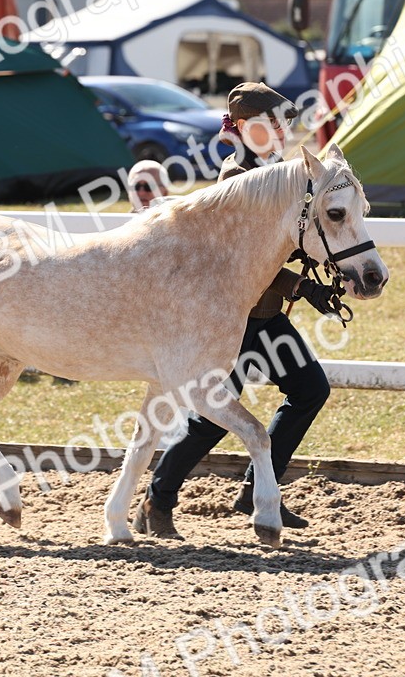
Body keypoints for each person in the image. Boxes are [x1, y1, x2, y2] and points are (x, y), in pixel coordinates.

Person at [134, 82, 342, 541]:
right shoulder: (237, 179)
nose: (284, 131)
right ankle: (157, 500)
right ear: (245, 128)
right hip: (232, 320)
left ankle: (257, 490)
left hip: (264, 316)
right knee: (210, 420)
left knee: (310, 389)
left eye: (285, 123)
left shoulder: (282, 174)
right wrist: (300, 285)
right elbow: (241, 259)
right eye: (275, 123)